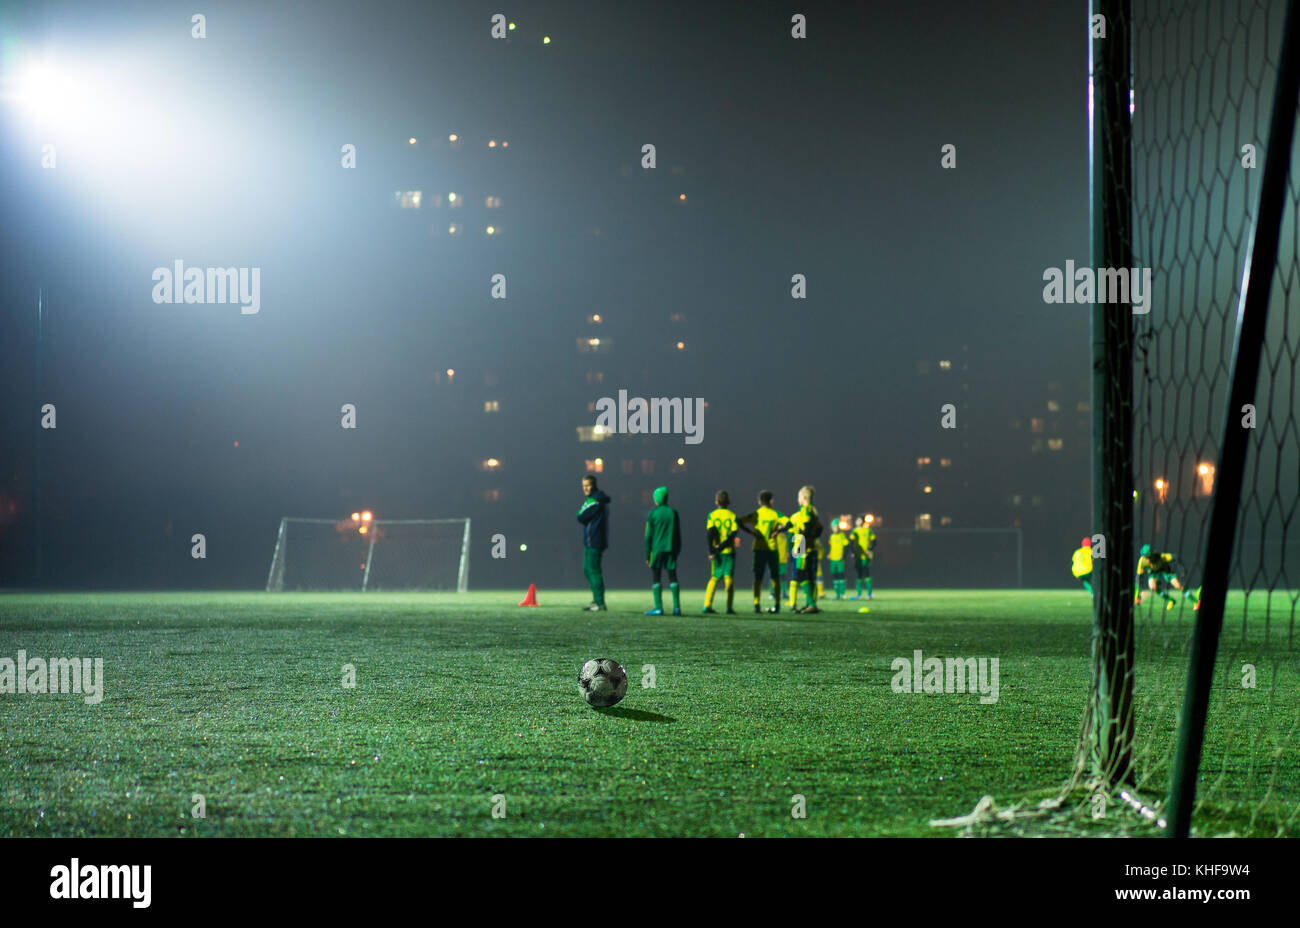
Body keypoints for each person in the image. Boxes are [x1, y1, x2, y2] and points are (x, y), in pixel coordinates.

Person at [737, 490, 783, 614]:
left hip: (759, 549)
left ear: (759, 502)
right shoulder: (775, 514)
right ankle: (777, 604)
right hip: (772, 549)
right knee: (775, 577)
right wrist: (777, 532)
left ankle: (756, 604)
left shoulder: (756, 514)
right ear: (771, 501)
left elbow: (738, 521)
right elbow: (789, 523)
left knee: (758, 578)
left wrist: (751, 532)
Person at [780, 485, 823, 614]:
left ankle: (811, 604)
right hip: (808, 548)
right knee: (809, 577)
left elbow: (803, 530)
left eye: (799, 496)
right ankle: (810, 604)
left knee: (802, 575)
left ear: (803, 497)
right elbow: (819, 529)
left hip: (802, 549)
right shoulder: (813, 511)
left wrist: (804, 540)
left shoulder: (805, 511)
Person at [644, 486, 682, 615]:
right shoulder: (673, 512)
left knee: (656, 577)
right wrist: (677, 550)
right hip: (671, 548)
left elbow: (648, 536)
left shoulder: (653, 513)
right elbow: (678, 534)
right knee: (672, 576)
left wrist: (647, 554)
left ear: (656, 499)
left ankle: (658, 608)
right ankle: (677, 608)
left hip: (657, 550)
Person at [576, 474, 610, 611]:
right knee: (588, 569)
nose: (585, 488)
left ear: (594, 485)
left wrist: (581, 513)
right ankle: (596, 599)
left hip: (594, 540)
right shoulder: (595, 500)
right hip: (592, 540)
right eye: (583, 486)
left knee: (594, 571)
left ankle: (600, 602)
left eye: (588, 485)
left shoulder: (595, 500)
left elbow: (580, 516)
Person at [703, 490, 739, 614]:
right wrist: (723, 546)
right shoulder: (732, 516)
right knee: (728, 579)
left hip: (717, 552)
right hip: (729, 552)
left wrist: (712, 551)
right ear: (728, 502)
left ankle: (707, 605)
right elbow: (733, 534)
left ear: (716, 502)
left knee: (714, 578)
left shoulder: (712, 515)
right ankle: (729, 607)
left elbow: (710, 534)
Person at [1135, 543, 1198, 611]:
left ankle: (1196, 602)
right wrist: (1140, 590)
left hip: (1165, 570)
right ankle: (1171, 600)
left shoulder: (1161, 556)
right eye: (1145, 557)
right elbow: (1139, 576)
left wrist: (1182, 569)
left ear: (1152, 554)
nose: (1147, 559)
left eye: (1148, 557)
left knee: (1178, 586)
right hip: (1154, 573)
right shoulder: (1142, 561)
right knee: (1152, 587)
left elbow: (1175, 557)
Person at [850, 515, 877, 600]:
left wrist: (870, 549)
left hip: (865, 556)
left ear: (862, 521)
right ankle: (859, 594)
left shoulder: (868, 530)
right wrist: (853, 552)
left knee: (867, 573)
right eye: (857, 520)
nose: (858, 522)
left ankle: (869, 594)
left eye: (859, 520)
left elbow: (874, 541)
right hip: (858, 556)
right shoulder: (854, 531)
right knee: (858, 575)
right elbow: (851, 542)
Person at [826, 516, 851, 599]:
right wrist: (829, 554)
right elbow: (831, 547)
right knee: (834, 575)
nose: (835, 529)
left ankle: (843, 593)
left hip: (839, 559)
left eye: (836, 527)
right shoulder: (831, 536)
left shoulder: (842, 535)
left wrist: (843, 555)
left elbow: (847, 545)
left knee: (841, 575)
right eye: (833, 527)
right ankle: (837, 594)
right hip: (833, 559)